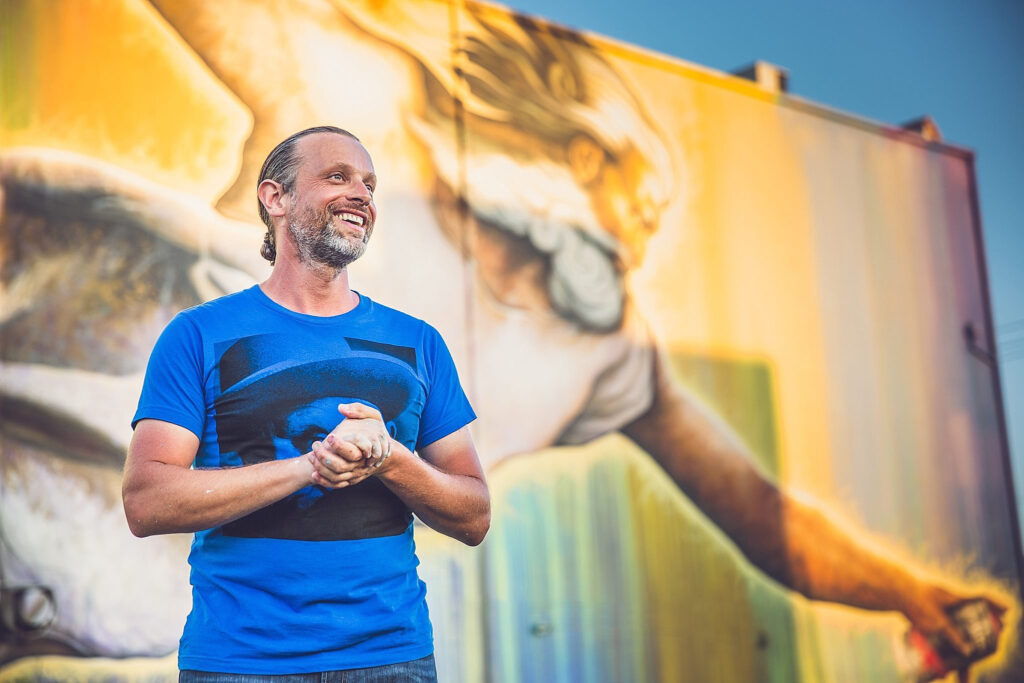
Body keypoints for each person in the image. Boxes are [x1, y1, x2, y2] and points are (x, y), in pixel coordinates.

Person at [121, 126, 490, 679]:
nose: (361, 194)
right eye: (337, 176)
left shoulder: (421, 343)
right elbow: (146, 501)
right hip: (239, 663)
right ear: (275, 198)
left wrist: (389, 458)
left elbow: (474, 515)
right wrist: (309, 467)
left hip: (390, 659)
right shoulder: (197, 333)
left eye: (369, 183)